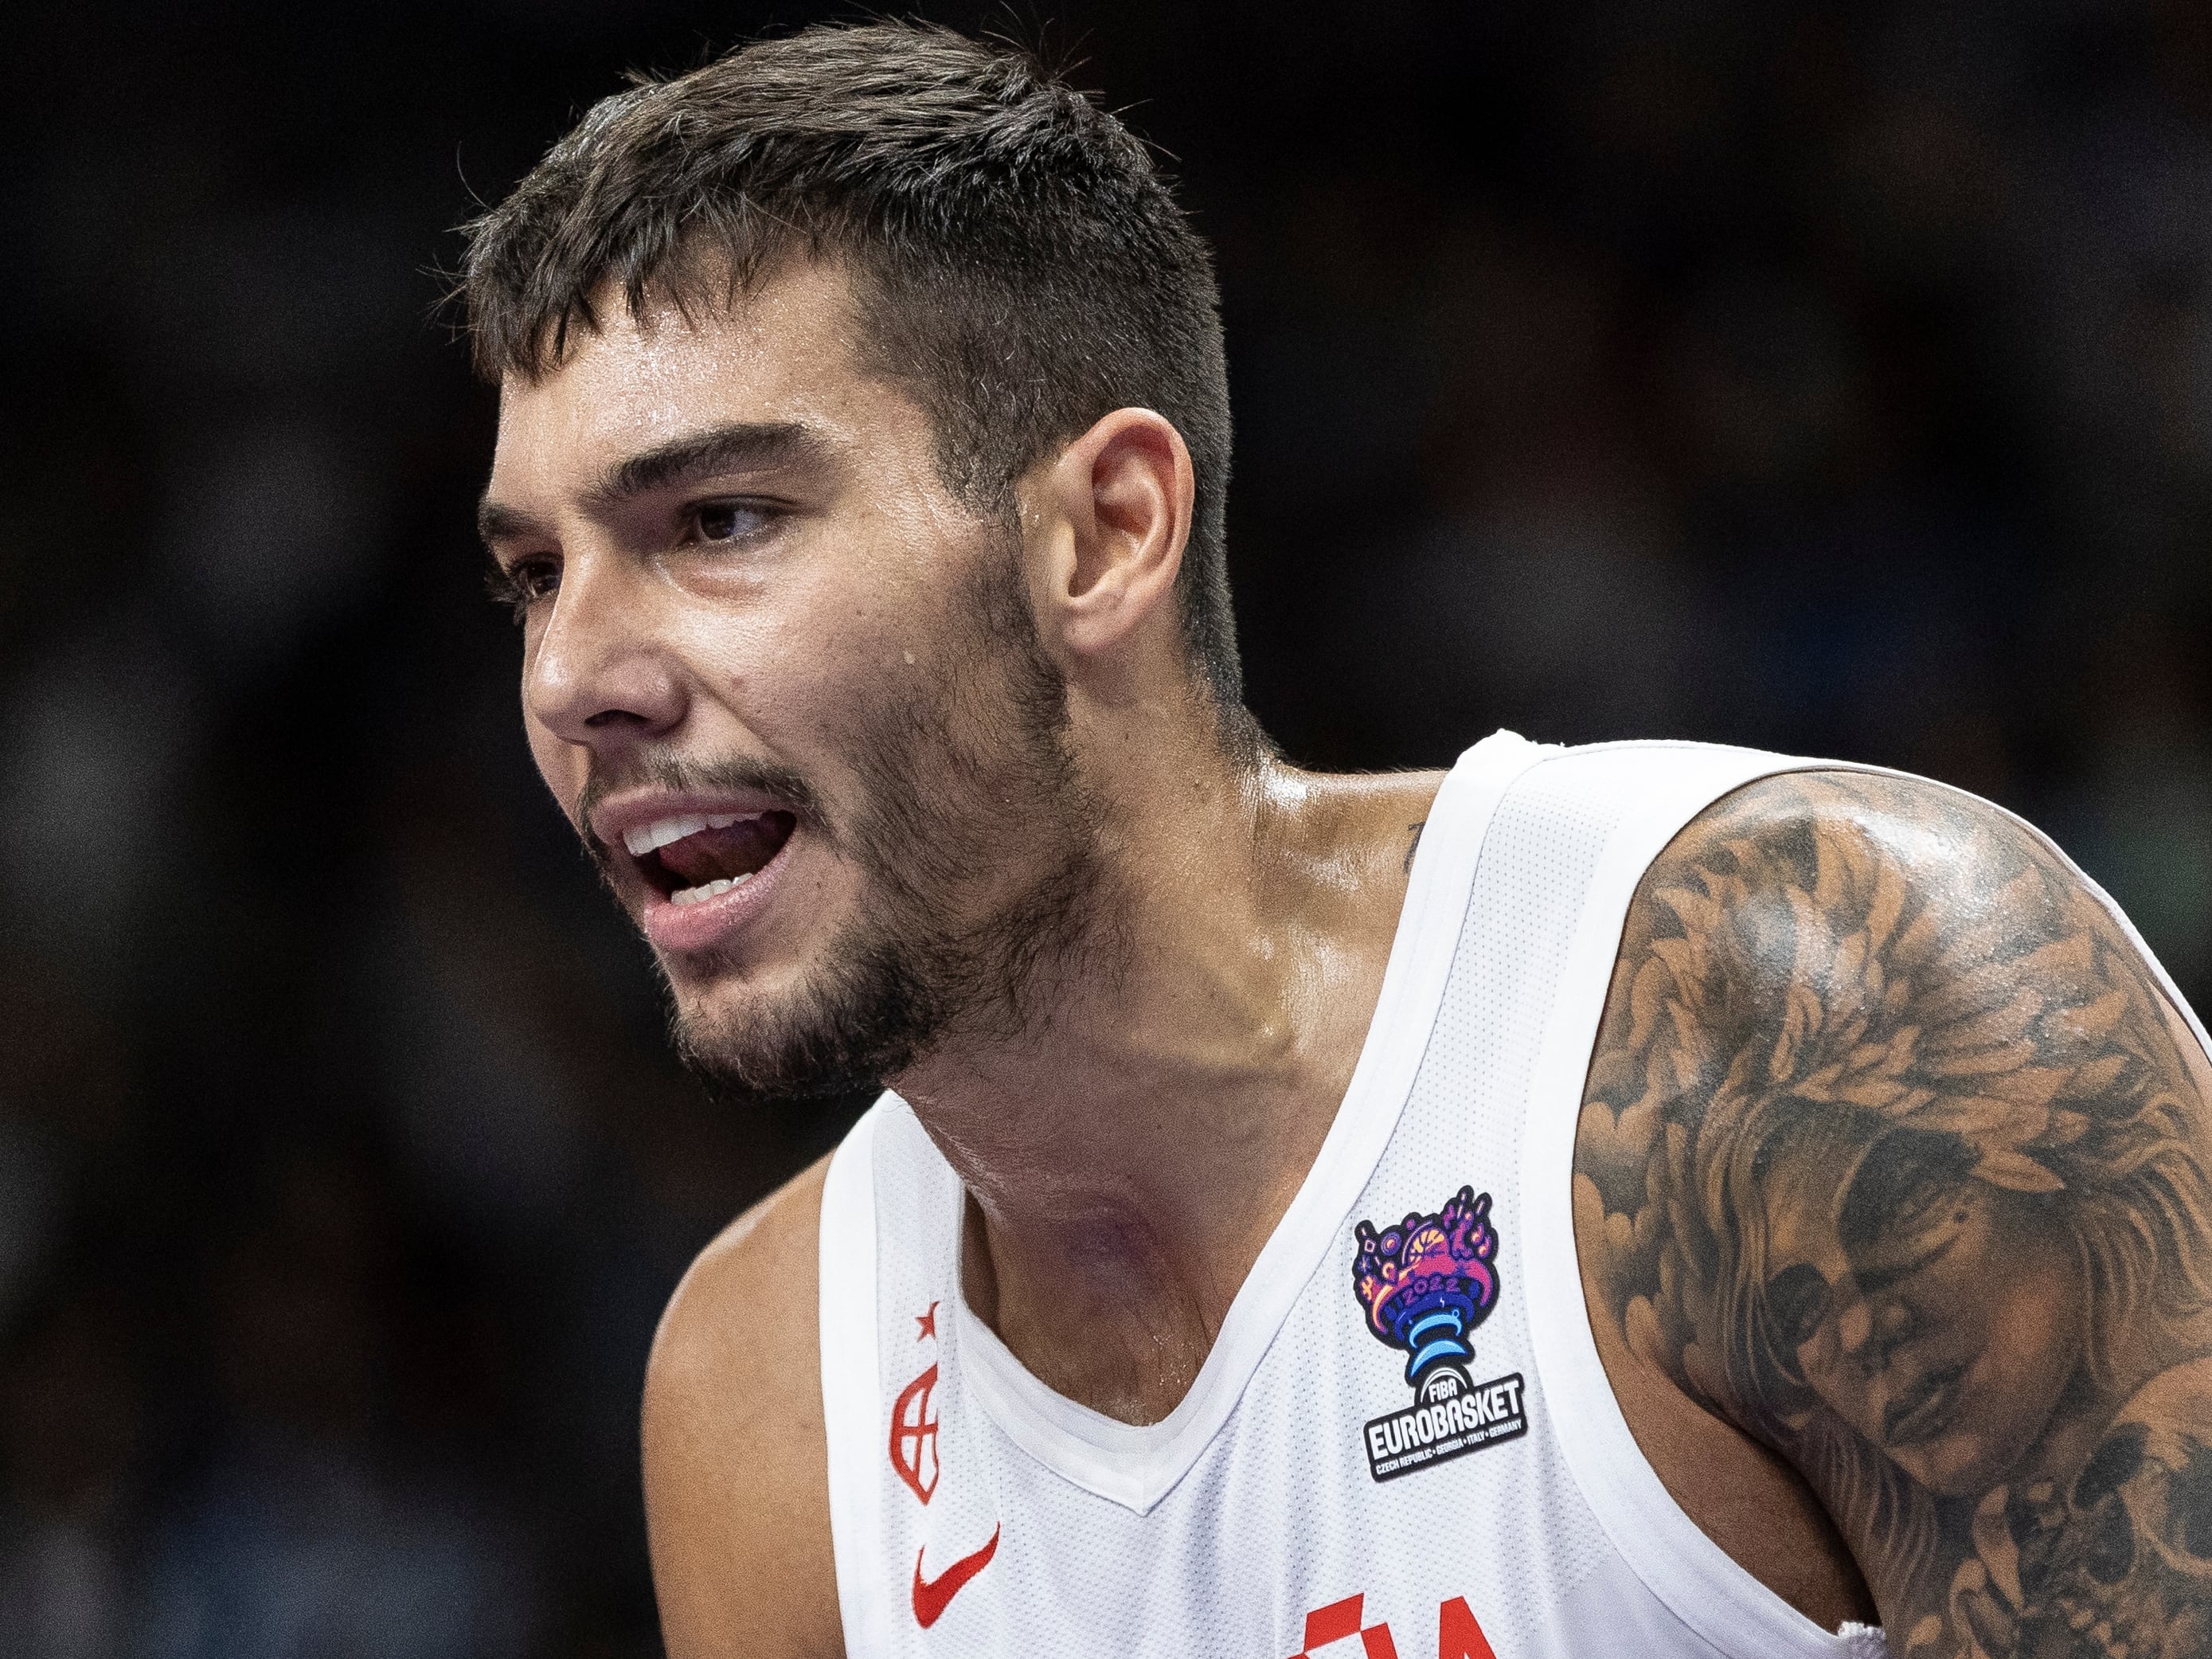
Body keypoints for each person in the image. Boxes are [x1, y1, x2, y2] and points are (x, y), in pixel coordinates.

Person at [459, 22, 2212, 1659]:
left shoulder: (1814, 1019)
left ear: (1101, 534)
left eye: (720, 519)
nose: (576, 676)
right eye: (536, 574)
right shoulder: (768, 1399)